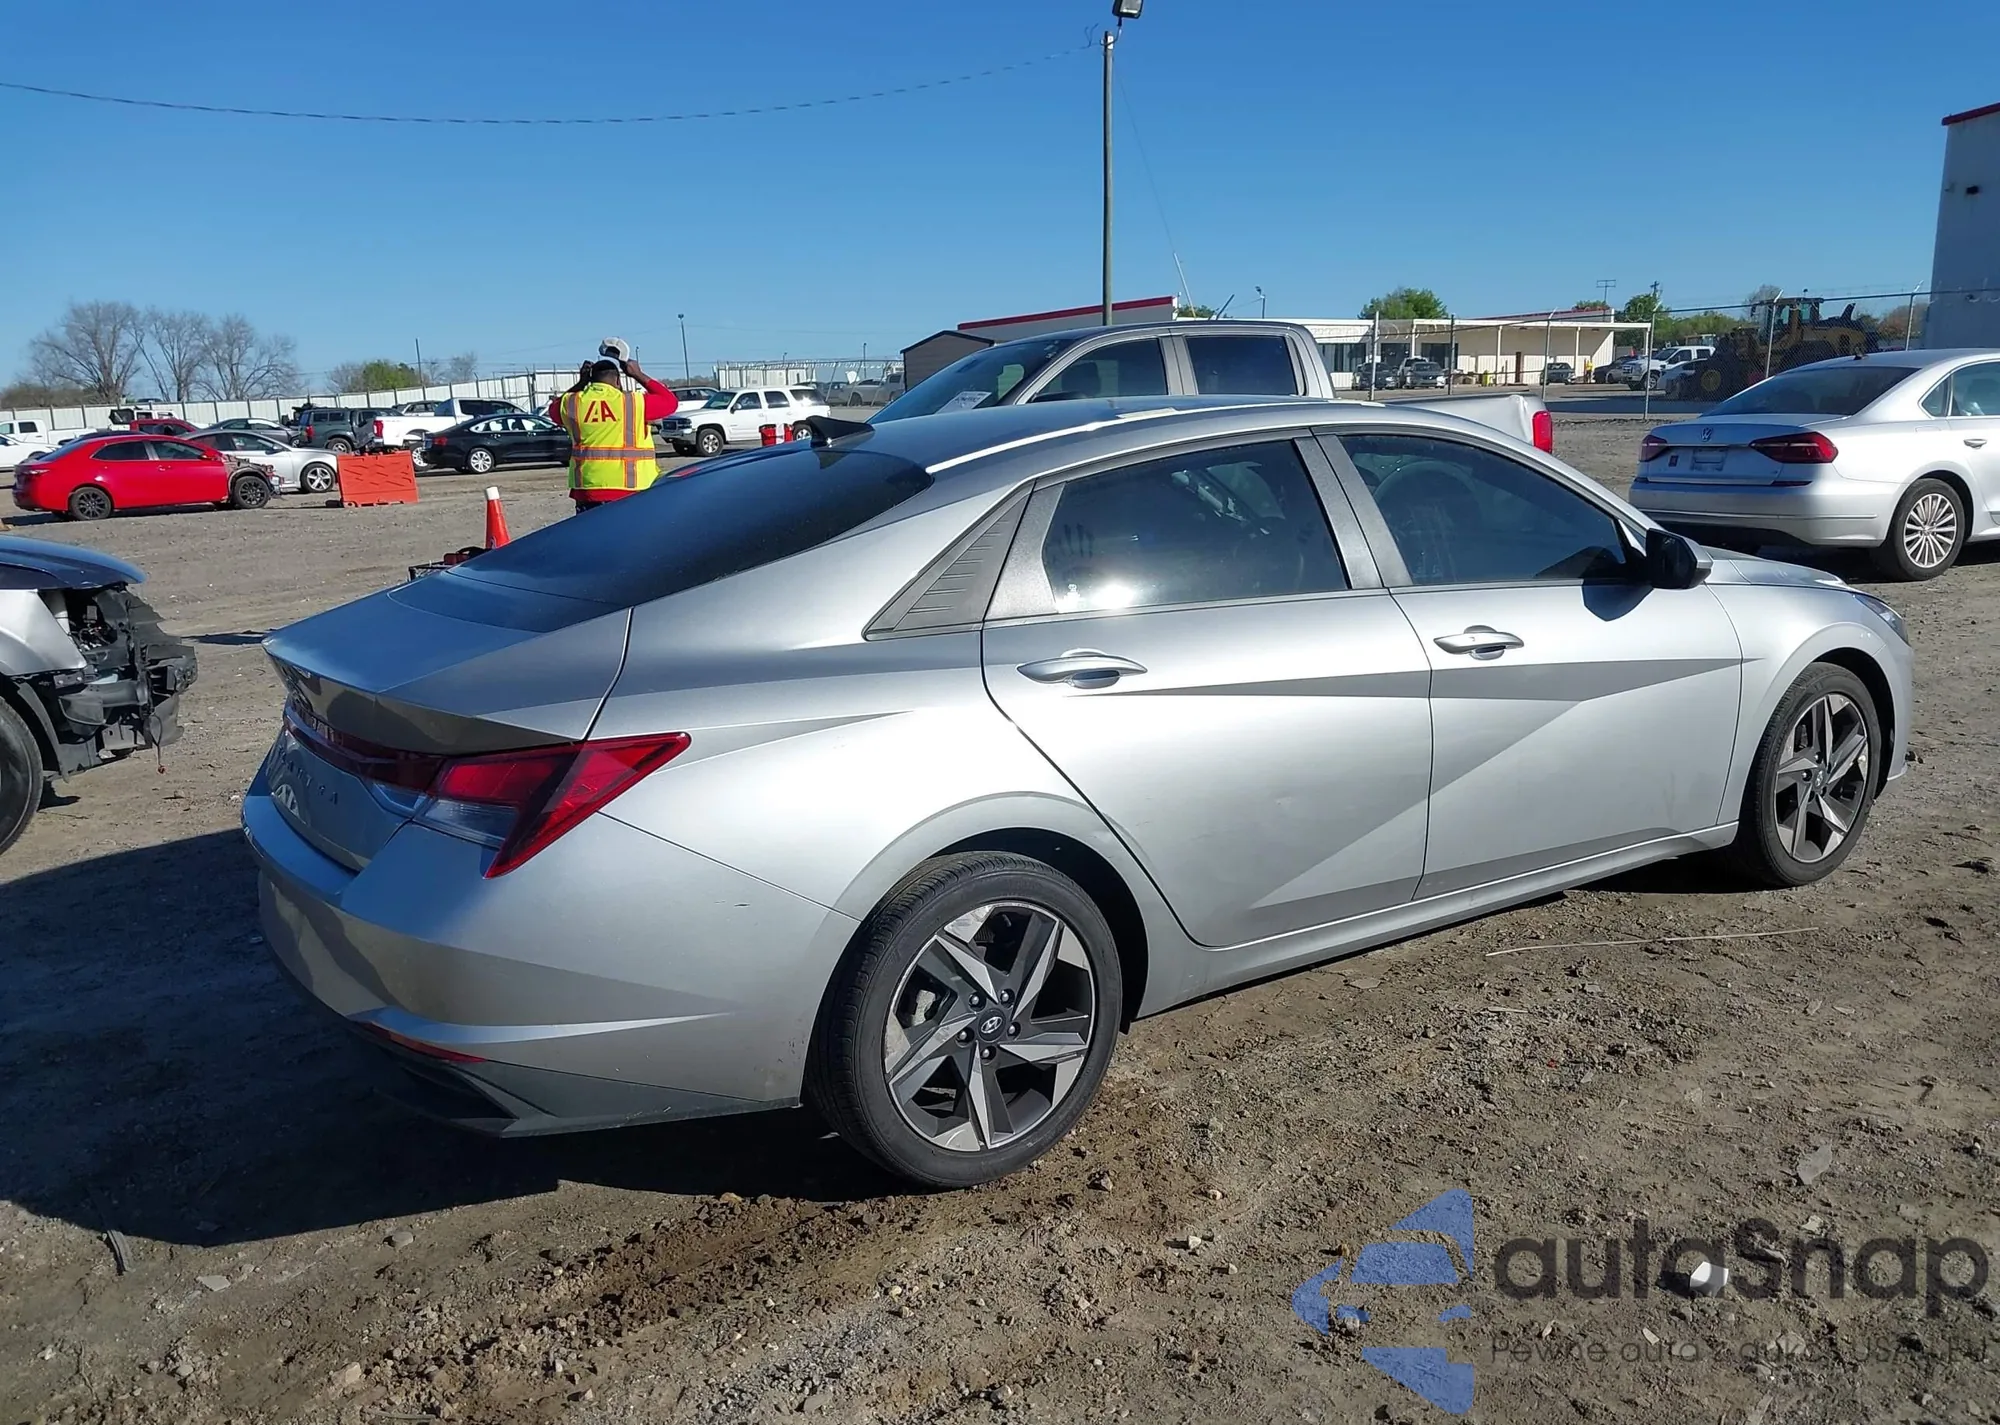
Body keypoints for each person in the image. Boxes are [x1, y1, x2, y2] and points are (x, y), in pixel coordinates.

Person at [551, 357, 680, 513]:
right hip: (630, 488)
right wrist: (638, 374)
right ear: (618, 381)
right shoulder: (633, 403)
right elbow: (670, 401)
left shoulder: (572, 403)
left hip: (587, 490)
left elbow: (554, 409)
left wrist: (581, 383)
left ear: (591, 380)